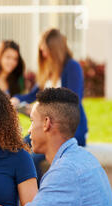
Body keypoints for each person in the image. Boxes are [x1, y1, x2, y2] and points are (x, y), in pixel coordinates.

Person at [11, 28, 88, 182]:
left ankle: (39, 196)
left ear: (56, 49)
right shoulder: (48, 69)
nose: (44, 55)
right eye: (41, 51)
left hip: (66, 130)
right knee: (17, 151)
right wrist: (17, 100)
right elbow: (33, 94)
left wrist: (39, 109)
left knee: (32, 159)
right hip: (45, 128)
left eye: (46, 51)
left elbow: (72, 101)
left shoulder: (72, 67)